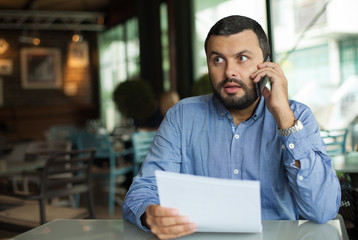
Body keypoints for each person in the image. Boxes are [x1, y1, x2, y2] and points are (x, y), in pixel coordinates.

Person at [123, 15, 341, 240]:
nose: (229, 72)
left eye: (242, 58)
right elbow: (143, 189)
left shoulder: (297, 117)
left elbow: (323, 210)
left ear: (267, 63)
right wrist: (150, 214)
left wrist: (284, 119)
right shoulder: (181, 116)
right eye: (218, 60)